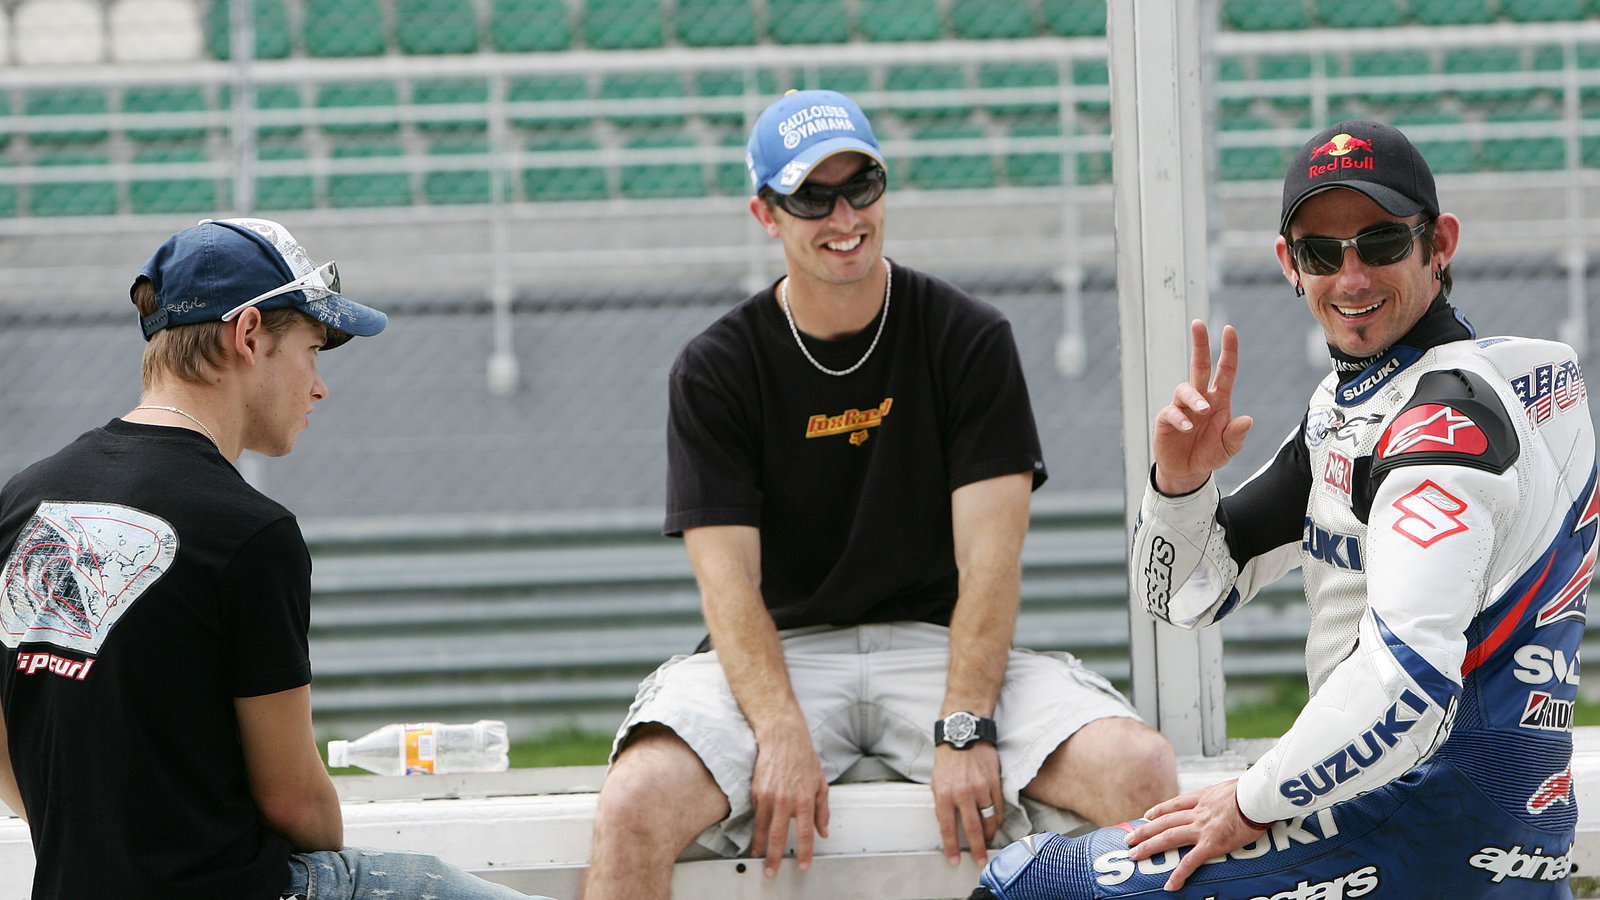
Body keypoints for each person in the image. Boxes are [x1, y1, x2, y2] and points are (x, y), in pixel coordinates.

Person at [972, 120, 1597, 898]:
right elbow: (1184, 595)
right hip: (1455, 820)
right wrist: (1180, 486)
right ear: (1288, 267)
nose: (1352, 277)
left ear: (1441, 245)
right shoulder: (1366, 404)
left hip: (1425, 824)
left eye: (1382, 242)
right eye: (1321, 253)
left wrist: (1248, 800)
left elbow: (1407, 681)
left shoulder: (1444, 425)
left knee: (1027, 884)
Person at [582, 89, 1177, 900]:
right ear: (767, 213)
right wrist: (780, 730)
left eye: (860, 185)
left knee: (1138, 770)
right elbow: (727, 585)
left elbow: (991, 561)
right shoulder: (717, 365)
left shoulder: (967, 335)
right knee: (635, 801)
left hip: (942, 644)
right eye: (812, 196)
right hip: (780, 653)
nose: (843, 215)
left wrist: (965, 724)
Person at [0, 218, 546, 900]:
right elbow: (296, 805)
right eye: (313, 350)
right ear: (249, 334)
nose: (320, 386)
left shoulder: (24, 500)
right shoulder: (249, 532)